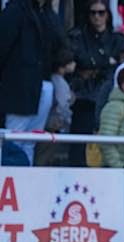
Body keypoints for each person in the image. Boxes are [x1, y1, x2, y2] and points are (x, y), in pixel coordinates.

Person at [0, 0, 66, 166]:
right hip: (19, 87)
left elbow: (59, 44)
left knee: (31, 141)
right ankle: (10, 183)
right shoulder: (15, 10)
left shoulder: (48, 13)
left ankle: (25, 182)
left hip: (44, 85)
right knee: (13, 141)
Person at [68, 0, 124, 166]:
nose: (97, 17)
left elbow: (120, 66)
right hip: (84, 97)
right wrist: (106, 62)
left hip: (110, 96)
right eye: (93, 13)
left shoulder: (118, 39)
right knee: (79, 149)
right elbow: (76, 61)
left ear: (107, 15)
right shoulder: (78, 37)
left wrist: (95, 65)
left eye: (101, 12)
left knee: (108, 148)